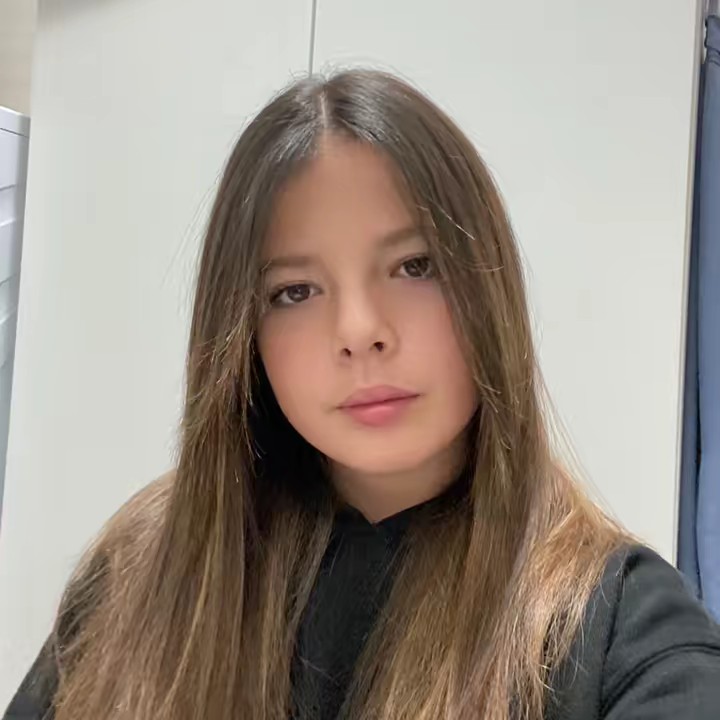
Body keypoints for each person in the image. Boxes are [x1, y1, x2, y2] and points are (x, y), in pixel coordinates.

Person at [4, 69, 720, 720]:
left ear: (488, 284)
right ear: (243, 334)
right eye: (295, 291)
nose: (359, 331)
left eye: (415, 266)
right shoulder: (140, 570)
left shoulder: (623, 623)